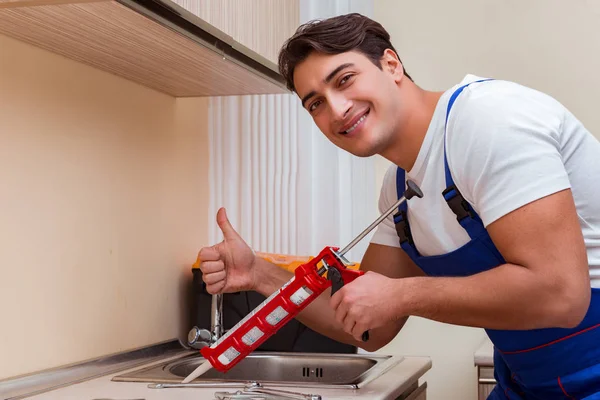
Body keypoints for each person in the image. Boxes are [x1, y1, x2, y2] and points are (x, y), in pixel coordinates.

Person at [197, 13, 600, 399]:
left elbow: (562, 295)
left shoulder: (486, 121)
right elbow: (368, 326)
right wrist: (261, 275)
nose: (336, 110)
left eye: (345, 79)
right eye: (315, 103)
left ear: (391, 64)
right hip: (532, 382)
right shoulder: (401, 190)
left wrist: (402, 294)